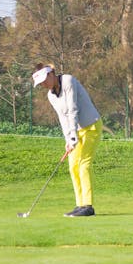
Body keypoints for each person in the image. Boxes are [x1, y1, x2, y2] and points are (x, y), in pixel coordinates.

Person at [32, 63, 102, 217]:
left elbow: (72, 109)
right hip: (75, 131)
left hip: (91, 126)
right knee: (73, 167)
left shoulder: (68, 81)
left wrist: (73, 136)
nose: (44, 85)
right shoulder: (51, 95)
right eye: (41, 83)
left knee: (84, 165)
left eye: (45, 80)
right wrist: (68, 139)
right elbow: (63, 118)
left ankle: (88, 206)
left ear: (51, 74)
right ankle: (80, 204)